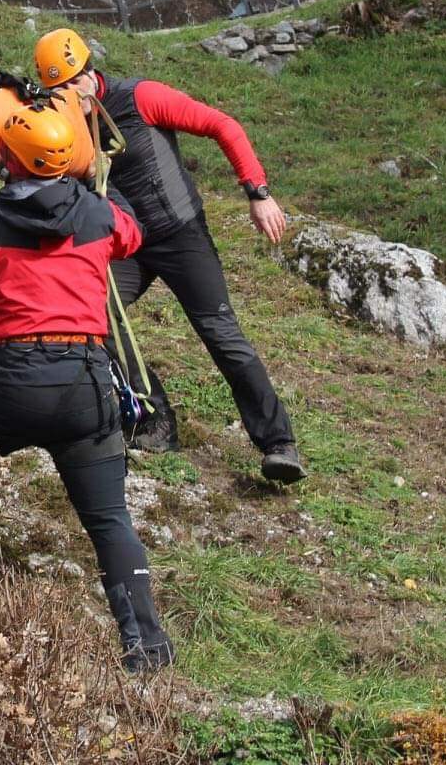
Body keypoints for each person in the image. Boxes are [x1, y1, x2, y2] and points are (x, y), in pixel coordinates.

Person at [0, 106, 174, 672]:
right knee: (109, 519)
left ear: (8, 158)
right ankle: (147, 650)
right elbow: (132, 232)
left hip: (12, 381)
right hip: (85, 383)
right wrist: (97, 173)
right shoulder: (97, 216)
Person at [34, 28, 306, 484]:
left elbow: (223, 126)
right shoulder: (61, 127)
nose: (69, 95)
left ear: (89, 73)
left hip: (182, 235)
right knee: (92, 312)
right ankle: (154, 419)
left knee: (221, 334)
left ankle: (279, 444)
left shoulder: (140, 97)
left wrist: (257, 193)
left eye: (73, 82)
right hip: (129, 245)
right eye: (57, 89)